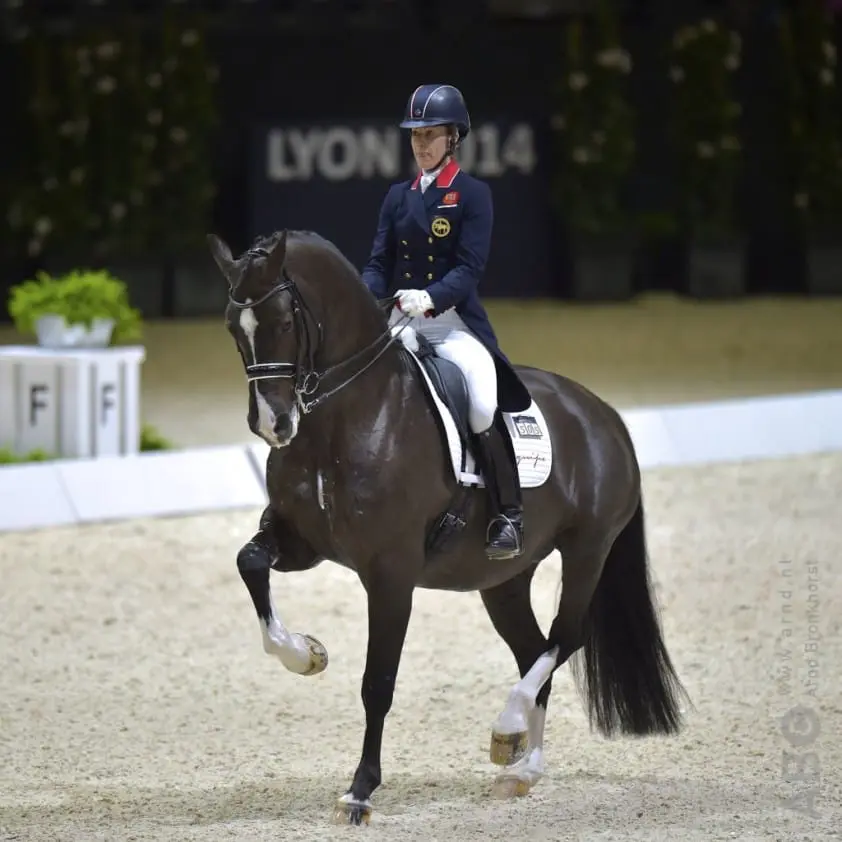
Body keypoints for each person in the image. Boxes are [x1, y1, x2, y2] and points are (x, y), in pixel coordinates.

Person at [360, 83, 532, 561]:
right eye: (415, 136)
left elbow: (470, 268)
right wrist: (365, 293)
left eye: (431, 135)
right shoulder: (397, 197)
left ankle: (508, 515)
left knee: (479, 402)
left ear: (454, 137)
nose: (421, 144)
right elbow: (379, 262)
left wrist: (430, 297)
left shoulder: (473, 195)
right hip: (401, 319)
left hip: (452, 322)